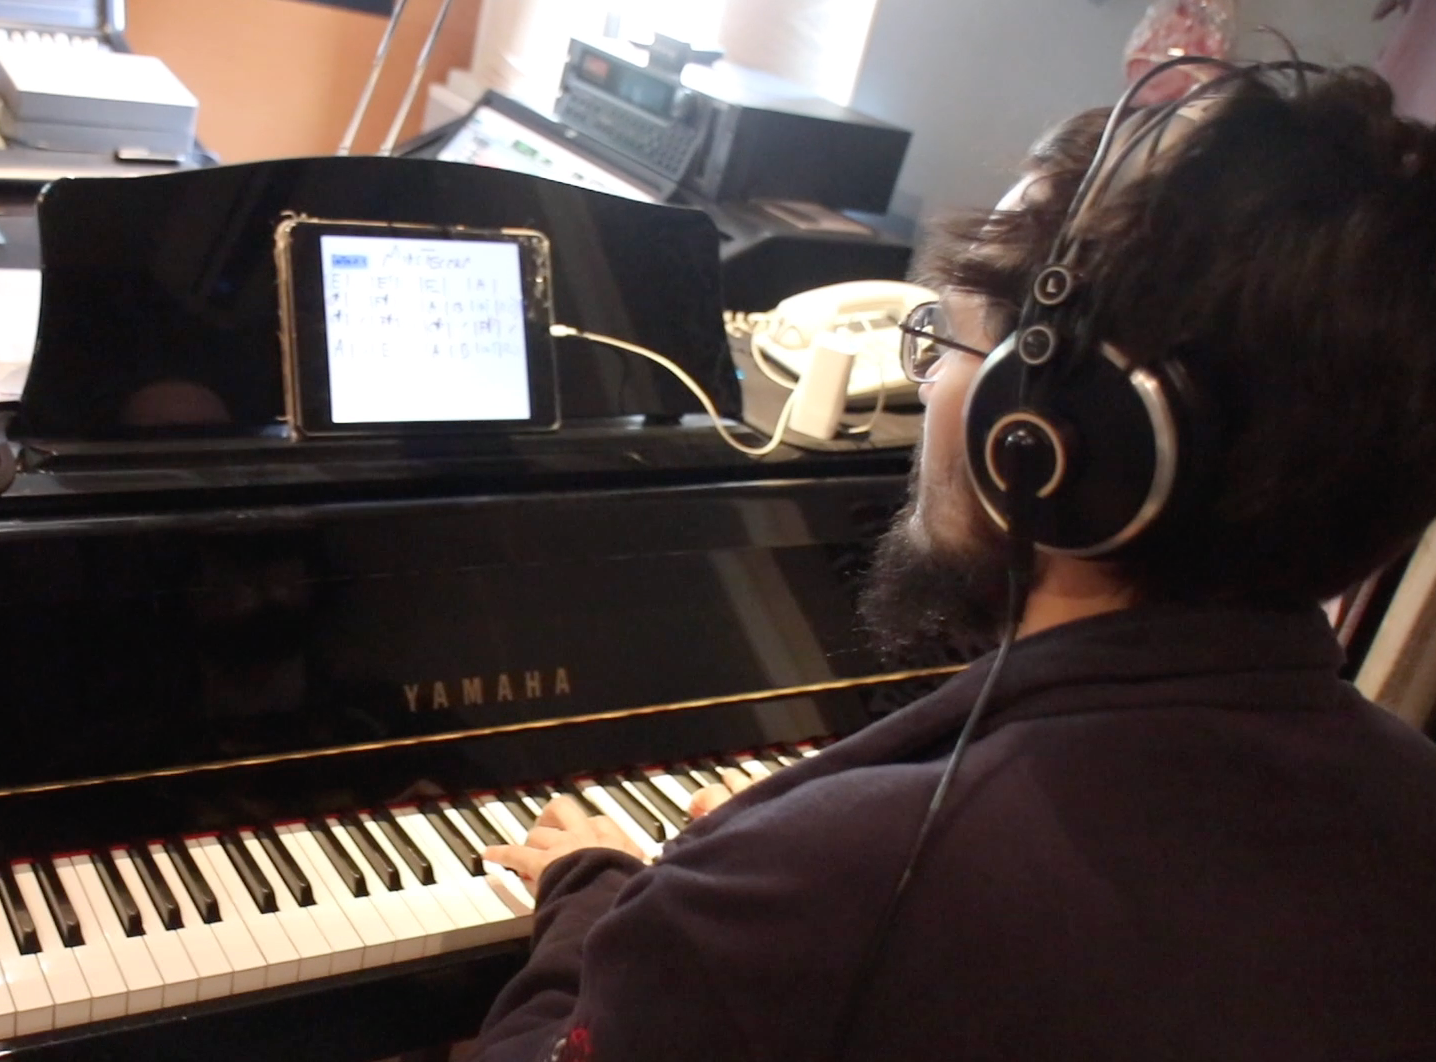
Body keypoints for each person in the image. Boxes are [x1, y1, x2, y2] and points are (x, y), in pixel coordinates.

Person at [453, 64, 1436, 1062]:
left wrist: (601, 901)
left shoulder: (822, 882)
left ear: (1045, 433)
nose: (924, 389)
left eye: (943, 341)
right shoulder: (1410, 797)